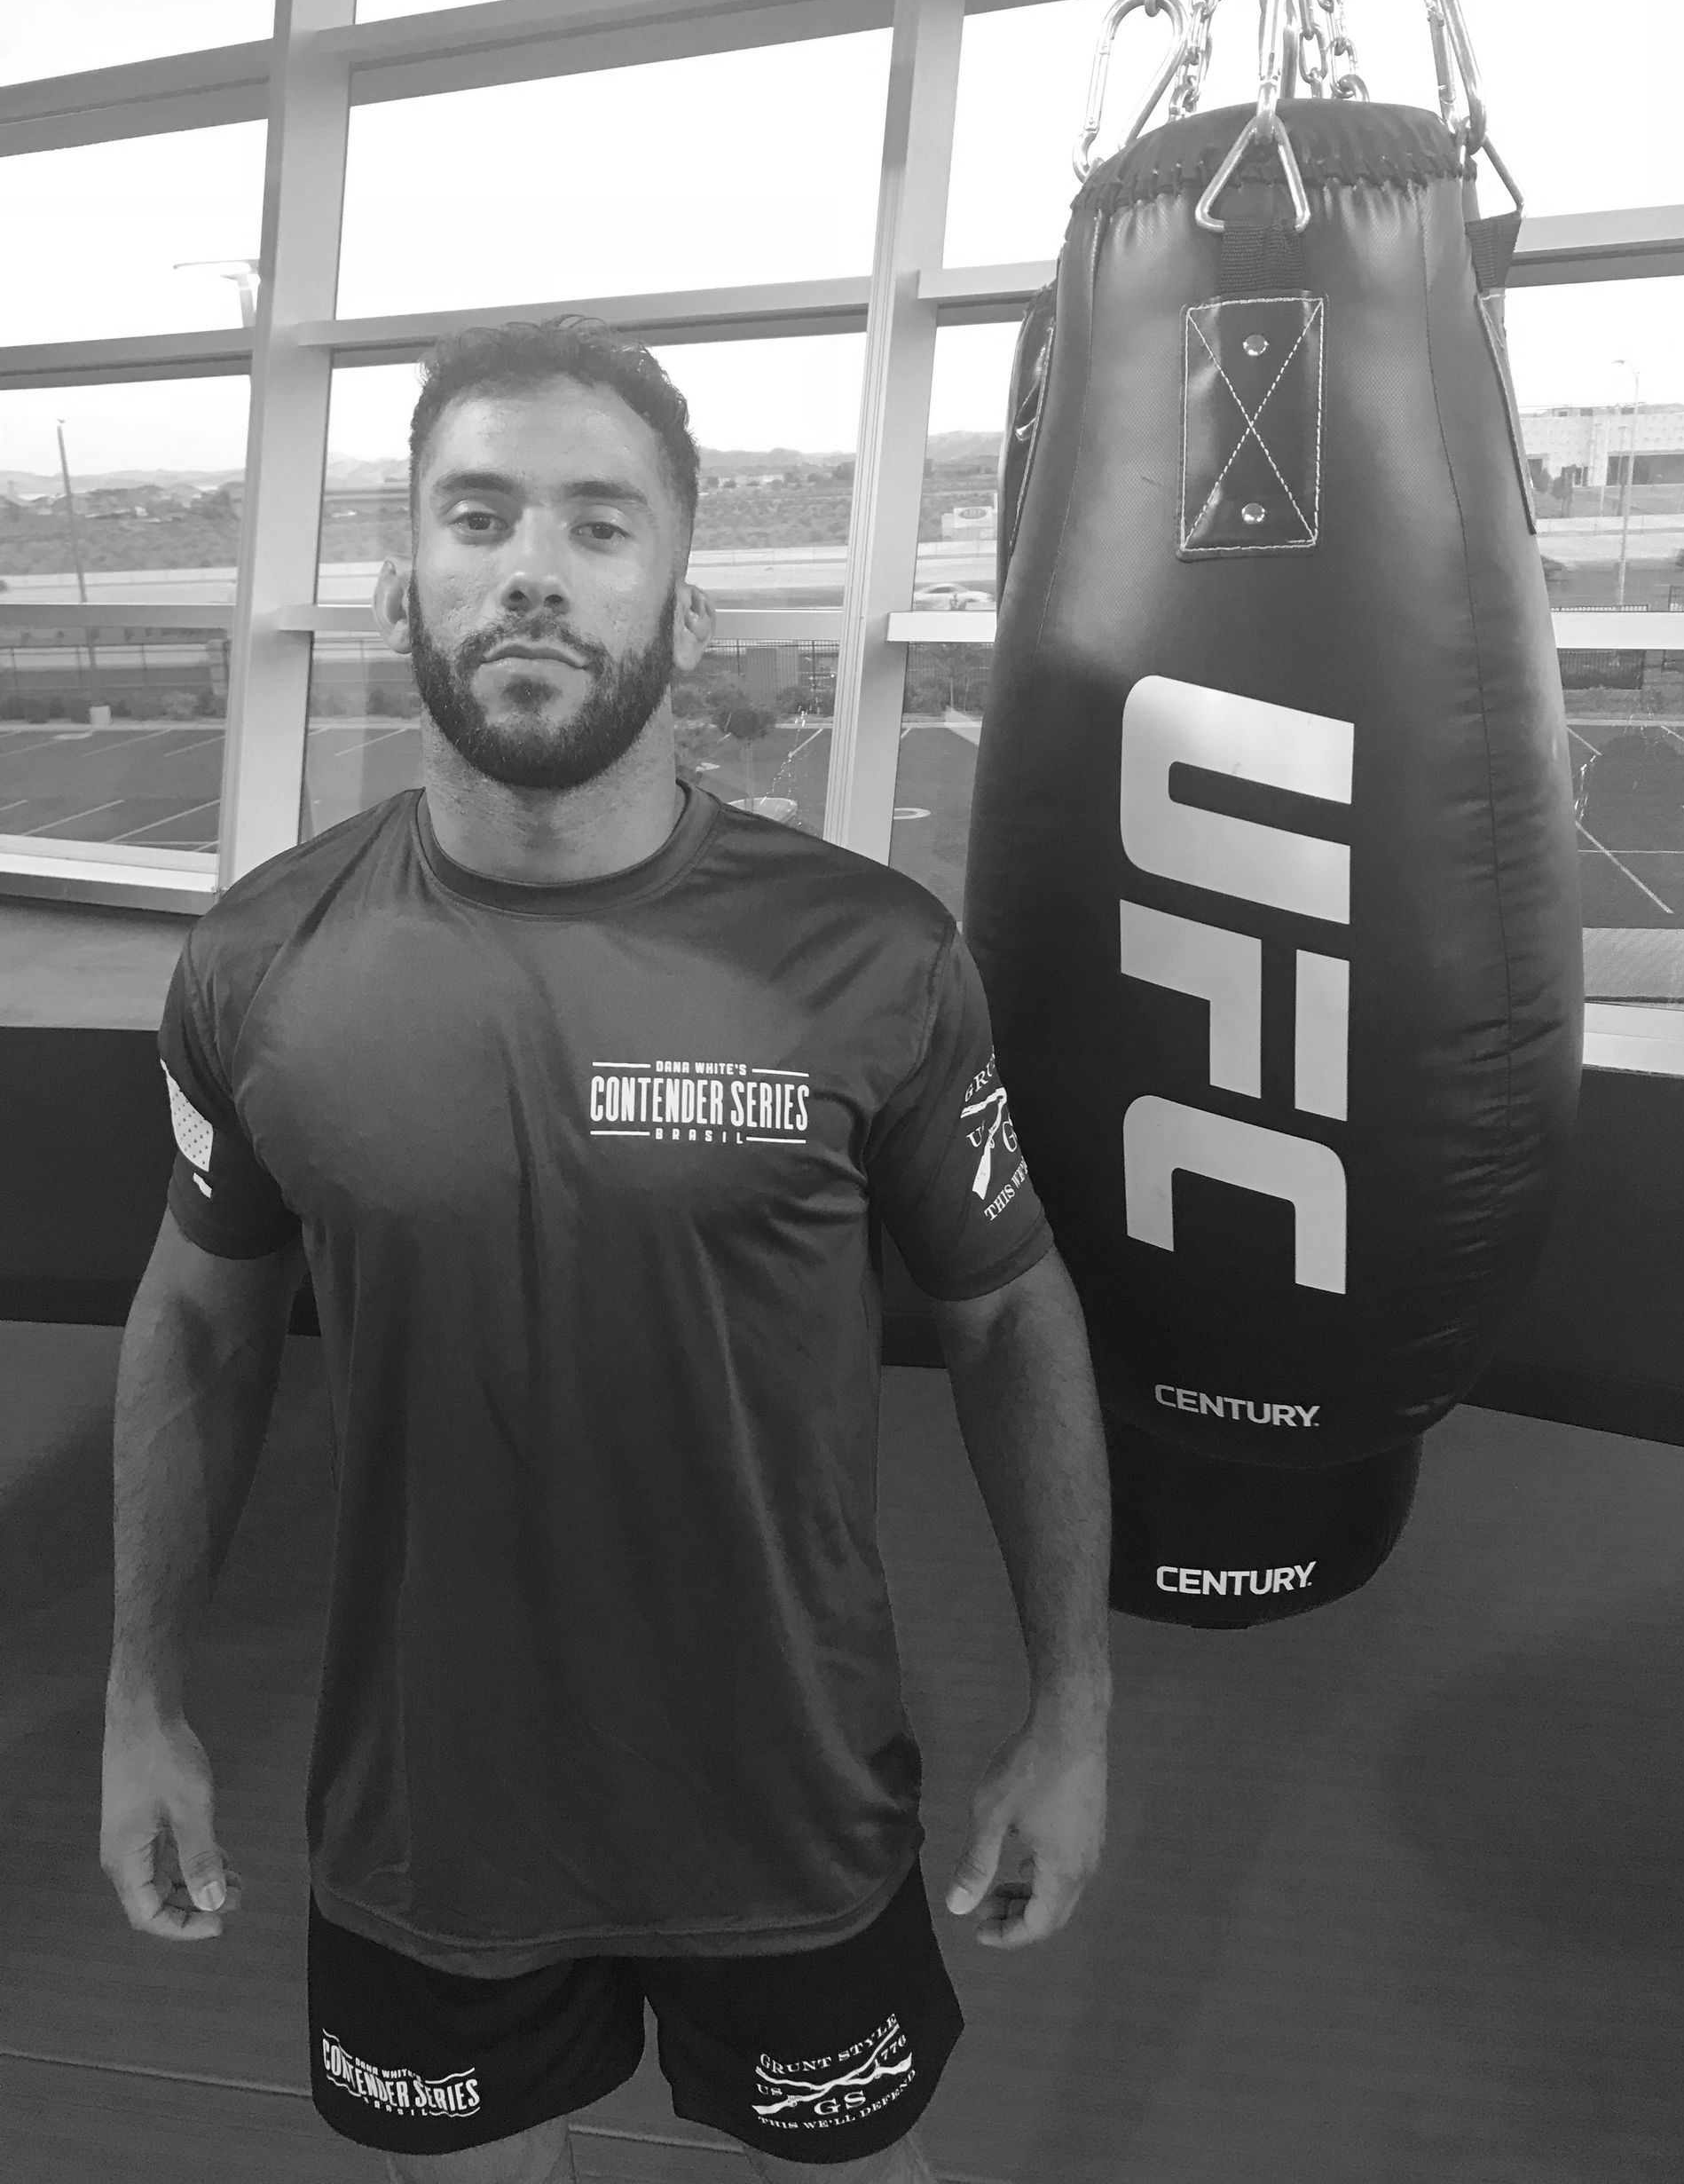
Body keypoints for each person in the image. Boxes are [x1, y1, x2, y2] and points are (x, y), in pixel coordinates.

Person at [102, 315, 1113, 2184]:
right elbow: (198, 1323)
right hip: (431, 1832)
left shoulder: (872, 957)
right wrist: (140, 1693)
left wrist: (1075, 1705)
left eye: (600, 523)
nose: (533, 571)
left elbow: (1008, 1312)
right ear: (408, 573)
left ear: (683, 595)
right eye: (478, 516)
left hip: (796, 1811)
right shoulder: (260, 966)